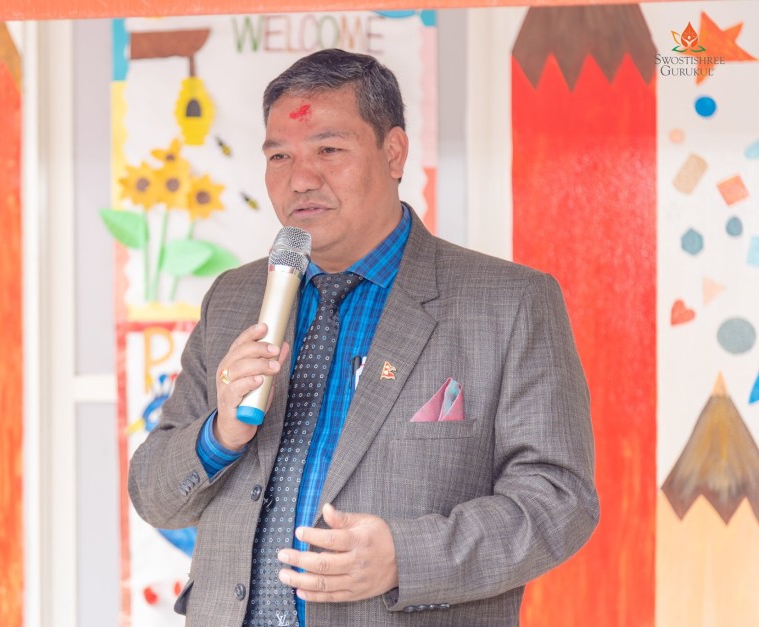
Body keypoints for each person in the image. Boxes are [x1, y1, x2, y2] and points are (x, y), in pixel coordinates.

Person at [129, 48, 598, 627]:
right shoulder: (234, 298)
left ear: (394, 152)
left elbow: (560, 499)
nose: (300, 179)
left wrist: (407, 556)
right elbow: (154, 495)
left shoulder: (508, 302)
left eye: (329, 150)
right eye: (279, 156)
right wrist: (220, 433)